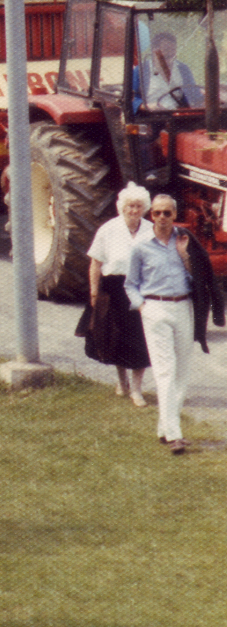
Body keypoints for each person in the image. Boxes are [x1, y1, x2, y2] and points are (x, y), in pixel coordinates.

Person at [125, 194, 222, 454]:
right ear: (151, 215)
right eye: (157, 213)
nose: (162, 218)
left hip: (183, 307)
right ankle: (174, 434)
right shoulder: (141, 246)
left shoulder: (186, 241)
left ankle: (163, 428)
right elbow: (130, 284)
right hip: (155, 308)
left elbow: (200, 277)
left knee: (182, 371)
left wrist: (184, 256)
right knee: (165, 371)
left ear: (174, 214)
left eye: (167, 213)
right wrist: (143, 307)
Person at [77, 184, 153, 405]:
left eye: (138, 206)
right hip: (114, 289)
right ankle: (122, 382)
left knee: (141, 339)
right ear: (122, 207)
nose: (134, 210)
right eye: (130, 205)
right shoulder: (108, 229)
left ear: (144, 208)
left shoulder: (150, 229)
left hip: (141, 289)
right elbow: (95, 263)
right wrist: (93, 293)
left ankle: (137, 390)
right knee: (116, 337)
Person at [144, 31, 202, 109]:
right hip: (151, 115)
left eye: (173, 50)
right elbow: (132, 99)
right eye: (166, 49)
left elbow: (194, 94)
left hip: (176, 114)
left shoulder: (183, 69)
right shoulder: (142, 70)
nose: (171, 53)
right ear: (155, 51)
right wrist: (146, 106)